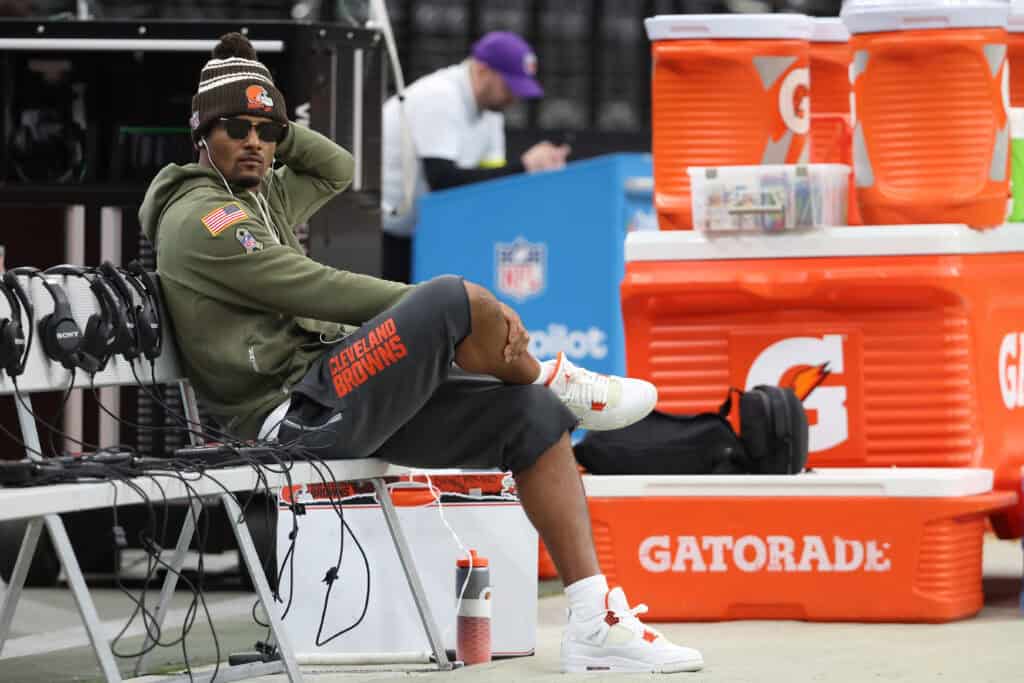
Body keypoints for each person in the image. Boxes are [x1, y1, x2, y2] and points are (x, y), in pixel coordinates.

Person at [139, 33, 703, 674]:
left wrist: (277, 126)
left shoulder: (258, 191)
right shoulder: (202, 218)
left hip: (334, 394)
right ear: (200, 135)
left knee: (534, 417)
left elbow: (338, 170)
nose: (254, 143)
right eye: (234, 128)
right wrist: (433, 312)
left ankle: (594, 621)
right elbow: (314, 288)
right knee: (448, 299)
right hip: (293, 417)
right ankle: (556, 372)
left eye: (265, 131)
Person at [380, 31, 571, 283]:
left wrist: (537, 176)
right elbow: (442, 180)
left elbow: (490, 188)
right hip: (380, 234)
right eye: (509, 86)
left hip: (419, 234)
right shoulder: (440, 96)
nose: (515, 98)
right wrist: (525, 167)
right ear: (482, 70)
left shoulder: (492, 113)